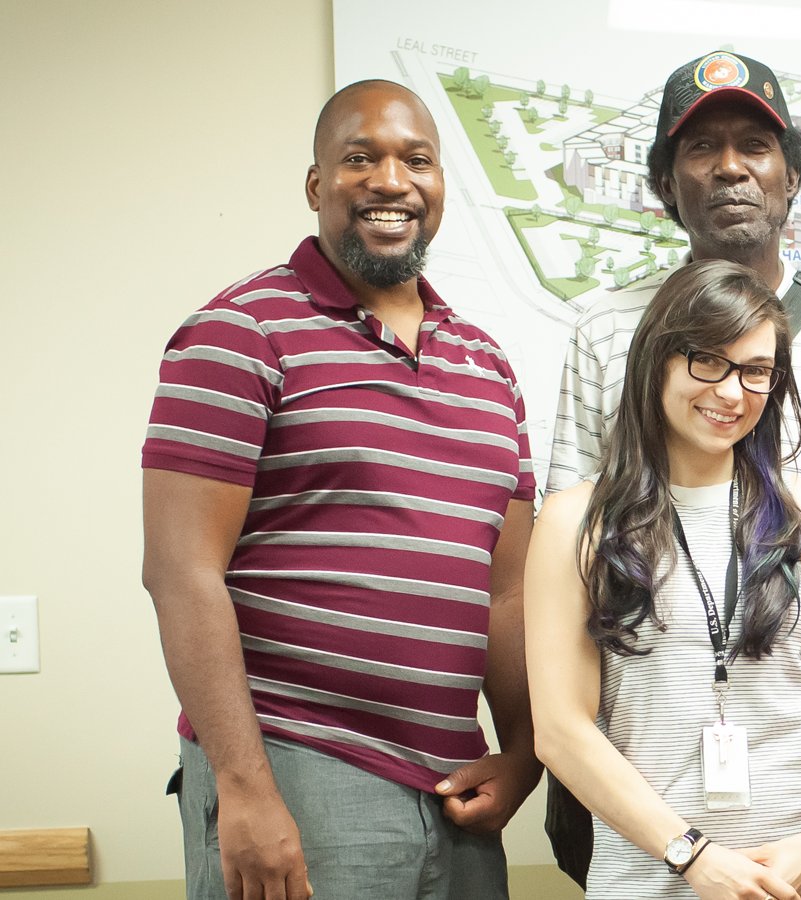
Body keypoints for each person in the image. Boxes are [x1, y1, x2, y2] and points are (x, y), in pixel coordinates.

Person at [140, 80, 539, 900]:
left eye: (415, 160)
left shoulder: (488, 366)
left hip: (454, 786)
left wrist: (526, 751)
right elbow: (181, 573)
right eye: (361, 158)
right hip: (299, 767)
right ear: (318, 184)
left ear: (438, 187)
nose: (391, 182)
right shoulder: (238, 333)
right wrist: (244, 790)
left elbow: (507, 592)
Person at [547, 50, 801, 892]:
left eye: (754, 145)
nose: (729, 167)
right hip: (644, 731)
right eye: (700, 148)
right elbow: (569, 574)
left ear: (791, 175)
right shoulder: (604, 328)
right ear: (665, 183)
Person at [527, 260, 801, 900]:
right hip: (648, 870)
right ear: (656, 360)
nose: (731, 392)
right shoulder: (575, 520)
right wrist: (691, 854)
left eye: (755, 371)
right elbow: (560, 730)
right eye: (707, 362)